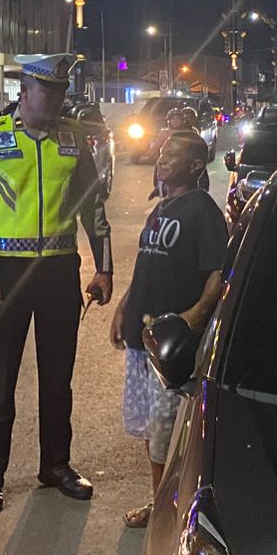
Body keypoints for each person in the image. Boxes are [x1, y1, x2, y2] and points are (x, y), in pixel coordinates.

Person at [0, 53, 113, 513]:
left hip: (59, 270)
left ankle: (55, 465)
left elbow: (92, 206)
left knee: (58, 374)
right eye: (47, 90)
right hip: (8, 272)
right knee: (2, 375)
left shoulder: (74, 138)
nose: (55, 99)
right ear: (24, 91)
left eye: (61, 91)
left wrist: (104, 268)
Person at [112, 129, 228, 528]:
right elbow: (148, 264)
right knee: (152, 429)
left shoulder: (203, 211)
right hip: (142, 340)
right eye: (161, 152)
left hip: (171, 349)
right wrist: (124, 307)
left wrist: (193, 318)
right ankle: (159, 502)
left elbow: (216, 273)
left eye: (171, 154)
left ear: (195, 165)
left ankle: (170, 514)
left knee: (170, 433)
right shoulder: (161, 208)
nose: (161, 159)